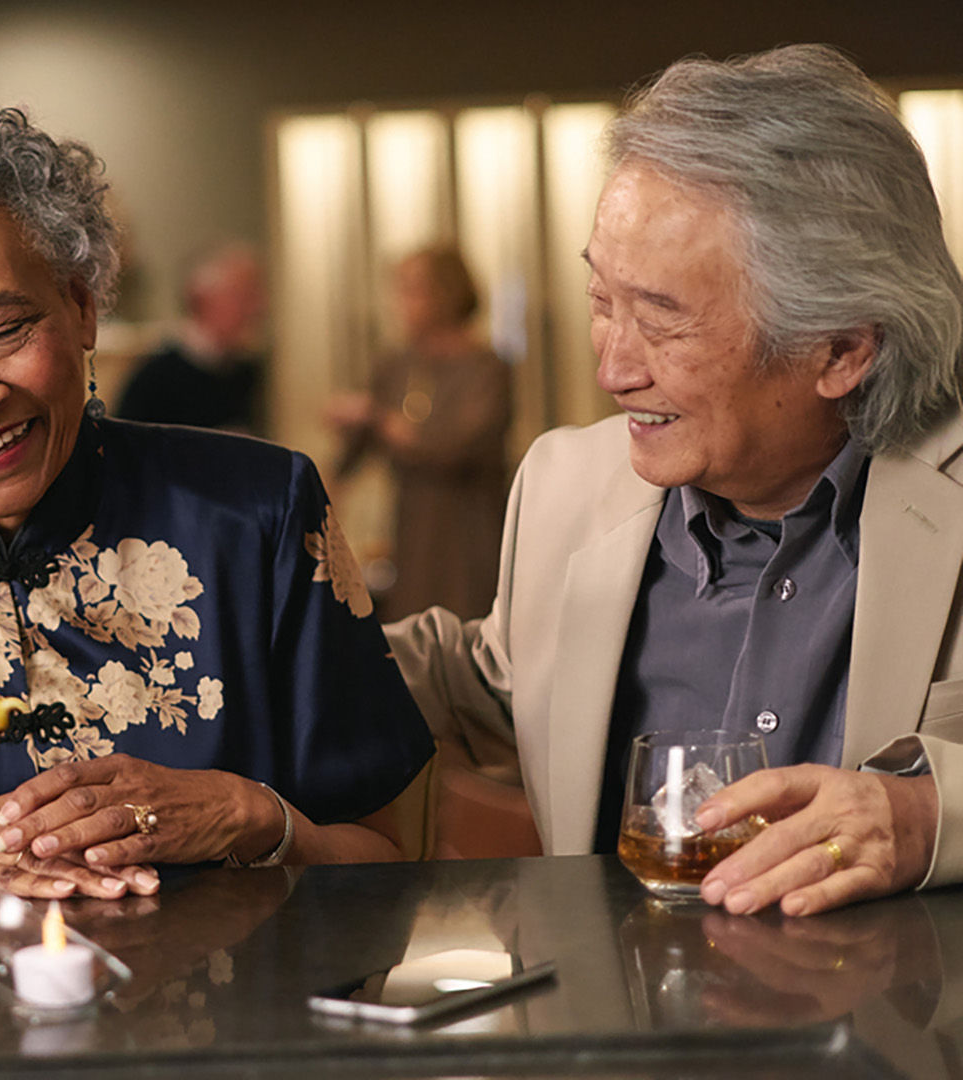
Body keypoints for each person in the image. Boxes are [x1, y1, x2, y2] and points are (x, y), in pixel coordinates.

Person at [0, 103, 432, 901]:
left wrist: (249, 813)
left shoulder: (260, 514)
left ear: (83, 307)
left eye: (6, 329)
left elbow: (390, 863)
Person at [387, 45, 963, 917]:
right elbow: (511, 687)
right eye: (601, 301)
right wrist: (259, 626)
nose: (613, 369)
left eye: (662, 320)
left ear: (842, 349)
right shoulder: (567, 484)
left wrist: (928, 814)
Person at [326, 244, 512, 620]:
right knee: (413, 625)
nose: (400, 303)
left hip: (468, 525)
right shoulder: (396, 364)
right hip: (413, 527)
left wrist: (380, 418)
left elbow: (457, 446)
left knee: (467, 623)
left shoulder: (486, 368)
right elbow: (352, 455)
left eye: (413, 290)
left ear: (446, 294)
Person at [116, 243, 267, 434]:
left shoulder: (246, 371)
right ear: (202, 298)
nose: (257, 308)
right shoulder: (156, 379)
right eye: (244, 296)